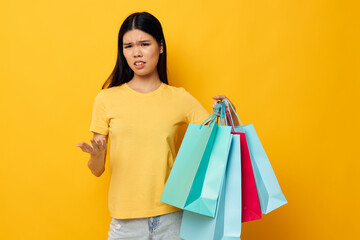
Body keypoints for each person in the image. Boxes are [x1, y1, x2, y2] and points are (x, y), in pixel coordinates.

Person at [76, 11, 239, 240]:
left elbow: (217, 142)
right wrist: (97, 154)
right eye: (128, 46)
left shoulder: (179, 98)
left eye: (144, 43)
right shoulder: (106, 99)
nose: (137, 53)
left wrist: (226, 112)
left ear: (160, 47)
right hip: (126, 224)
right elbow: (97, 169)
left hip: (172, 220)